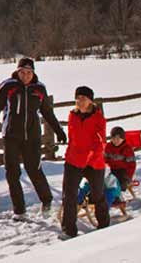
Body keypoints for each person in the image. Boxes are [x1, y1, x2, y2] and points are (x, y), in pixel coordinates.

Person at [0, 58, 65, 218]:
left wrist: (59, 130)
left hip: (32, 137)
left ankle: (46, 201)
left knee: (34, 169)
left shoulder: (39, 89)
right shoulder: (8, 86)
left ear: (33, 73)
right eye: (22, 72)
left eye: (29, 72)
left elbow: (47, 112)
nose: (25, 76)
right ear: (17, 72)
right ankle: (19, 211)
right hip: (11, 136)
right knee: (12, 173)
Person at [61, 86, 109, 238]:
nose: (80, 101)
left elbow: (100, 141)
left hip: (94, 162)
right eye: (78, 98)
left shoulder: (98, 117)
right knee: (69, 195)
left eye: (83, 98)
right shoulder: (72, 116)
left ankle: (104, 226)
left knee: (98, 195)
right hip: (74, 160)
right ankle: (68, 230)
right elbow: (72, 138)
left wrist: (91, 155)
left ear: (90, 101)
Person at [104, 126, 137, 194]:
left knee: (119, 183)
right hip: (113, 170)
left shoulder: (127, 148)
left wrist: (129, 177)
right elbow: (104, 159)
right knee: (107, 182)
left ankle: (117, 197)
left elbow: (132, 164)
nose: (115, 141)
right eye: (113, 138)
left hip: (125, 172)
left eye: (118, 139)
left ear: (123, 139)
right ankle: (109, 195)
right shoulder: (108, 147)